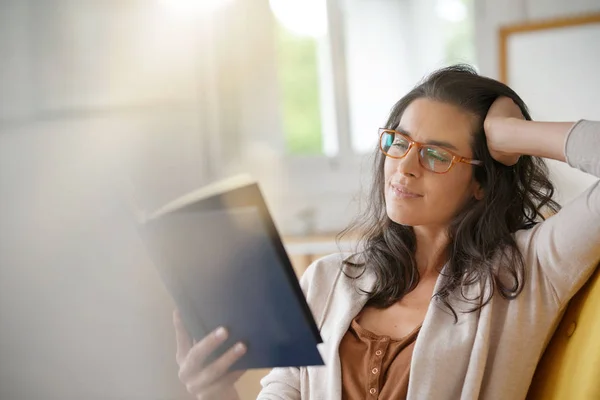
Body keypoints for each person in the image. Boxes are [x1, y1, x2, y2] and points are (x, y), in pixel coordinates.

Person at [172, 65, 600, 399]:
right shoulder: (327, 280)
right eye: (399, 141)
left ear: (481, 182)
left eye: (436, 154)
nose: (405, 167)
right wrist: (218, 392)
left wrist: (512, 133)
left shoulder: (528, 269)